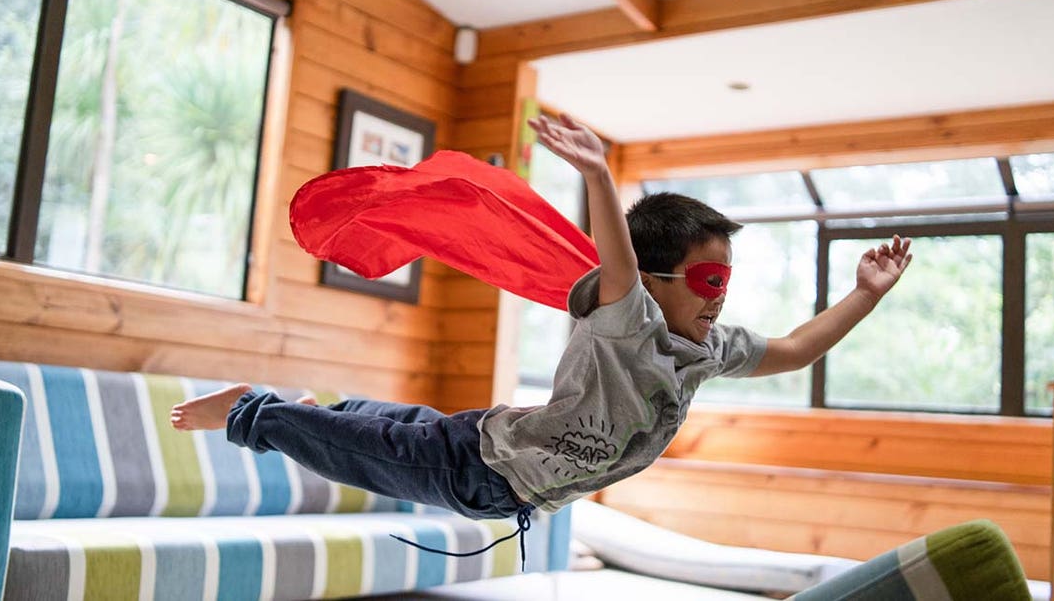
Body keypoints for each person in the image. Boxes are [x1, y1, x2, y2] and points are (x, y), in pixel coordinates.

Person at [170, 112, 912, 559]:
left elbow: (796, 348)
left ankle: (310, 415)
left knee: (379, 430)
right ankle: (253, 412)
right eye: (708, 280)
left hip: (491, 444)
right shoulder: (628, 317)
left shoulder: (708, 350)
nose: (720, 298)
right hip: (480, 473)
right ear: (657, 278)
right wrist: (597, 176)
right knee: (363, 454)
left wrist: (864, 294)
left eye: (727, 281)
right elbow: (617, 260)